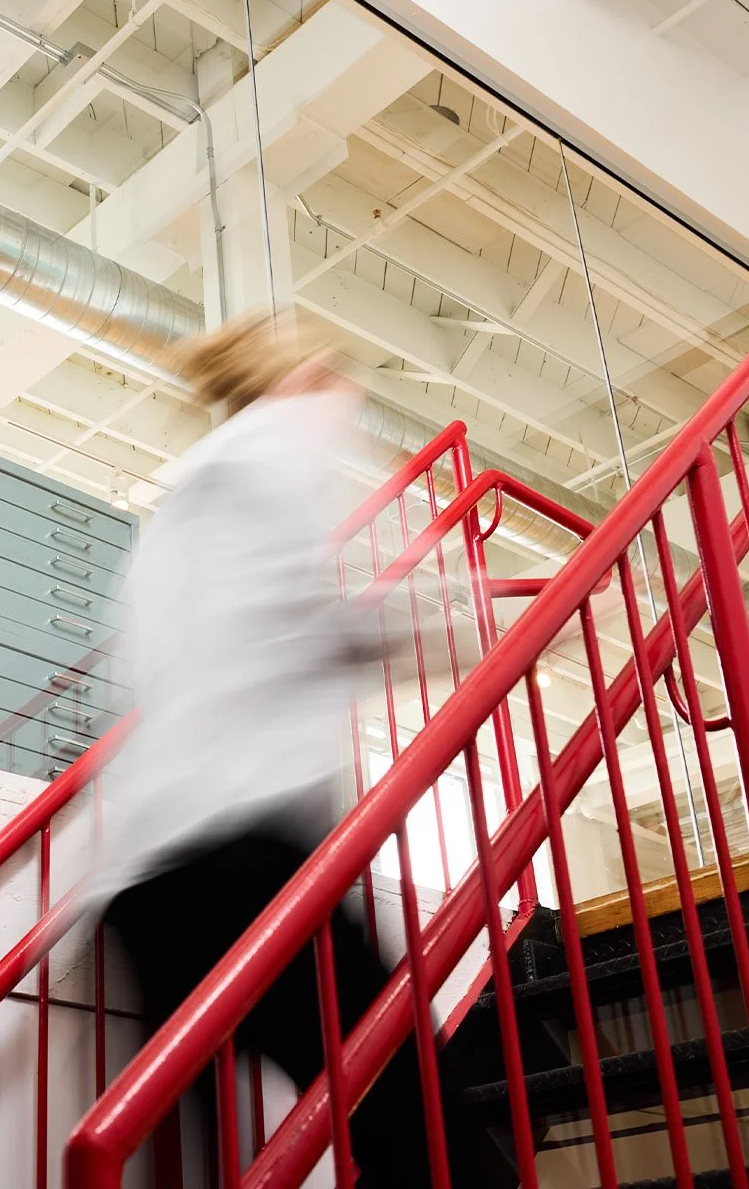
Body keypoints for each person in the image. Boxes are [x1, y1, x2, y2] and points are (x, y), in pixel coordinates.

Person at [93, 315, 513, 1188]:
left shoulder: (190, 493)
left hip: (147, 880)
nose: (347, 409)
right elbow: (293, 616)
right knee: (425, 1129)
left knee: (206, 1164)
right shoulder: (269, 455)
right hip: (245, 862)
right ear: (301, 383)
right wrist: (446, 624)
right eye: (337, 387)